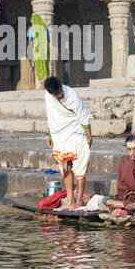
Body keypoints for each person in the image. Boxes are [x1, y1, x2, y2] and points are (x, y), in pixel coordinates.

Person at [44, 76, 92, 211]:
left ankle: (79, 201)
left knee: (80, 169)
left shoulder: (72, 95)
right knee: (65, 168)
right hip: (60, 135)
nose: (60, 95)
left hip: (76, 134)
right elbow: (51, 115)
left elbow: (83, 115)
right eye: (56, 94)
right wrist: (50, 134)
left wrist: (89, 136)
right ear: (50, 93)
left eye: (60, 91)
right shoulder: (48, 97)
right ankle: (70, 201)